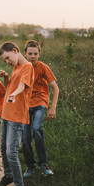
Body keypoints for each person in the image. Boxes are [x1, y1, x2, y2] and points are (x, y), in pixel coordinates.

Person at [0, 42, 34, 186]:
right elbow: (9, 88)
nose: (7, 62)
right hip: (6, 113)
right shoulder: (16, 68)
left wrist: (14, 93)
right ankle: (8, 175)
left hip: (17, 116)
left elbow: (21, 87)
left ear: (15, 51)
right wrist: (6, 77)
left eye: (7, 58)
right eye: (4, 61)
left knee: (11, 152)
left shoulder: (26, 67)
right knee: (3, 147)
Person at [21, 40, 59, 177]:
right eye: (30, 53)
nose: (32, 56)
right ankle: (30, 166)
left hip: (39, 103)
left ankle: (44, 164)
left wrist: (52, 108)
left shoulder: (43, 67)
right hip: (25, 105)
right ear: (25, 54)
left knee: (37, 129)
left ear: (39, 54)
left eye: (35, 54)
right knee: (25, 138)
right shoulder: (22, 67)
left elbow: (55, 87)